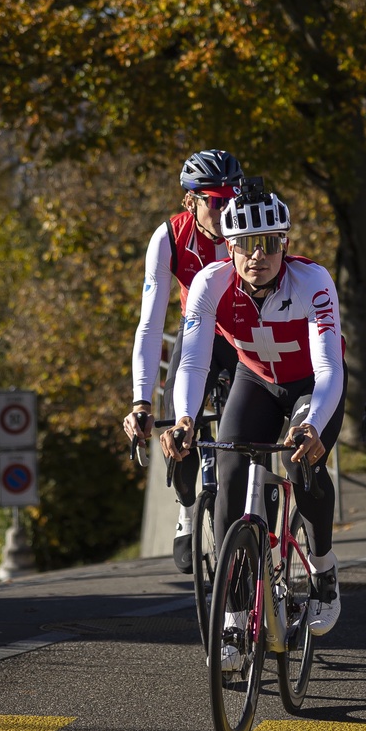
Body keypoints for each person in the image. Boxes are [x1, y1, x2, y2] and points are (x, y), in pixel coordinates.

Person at [161, 180, 347, 652]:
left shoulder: (314, 282)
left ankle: (323, 569)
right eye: (243, 245)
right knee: (228, 473)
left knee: (302, 463)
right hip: (256, 380)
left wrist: (313, 425)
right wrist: (184, 417)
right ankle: (234, 613)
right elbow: (194, 362)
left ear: (283, 243)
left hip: (312, 384)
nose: (255, 257)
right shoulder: (210, 284)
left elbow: (328, 366)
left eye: (266, 245)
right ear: (229, 246)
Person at [123, 149, 244, 573]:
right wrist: (141, 401)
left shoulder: (251, 226)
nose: (227, 208)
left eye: (233, 196)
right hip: (196, 337)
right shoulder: (170, 238)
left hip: (245, 338)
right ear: (190, 201)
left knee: (246, 433)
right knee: (179, 421)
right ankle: (188, 511)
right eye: (215, 200)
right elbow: (150, 324)